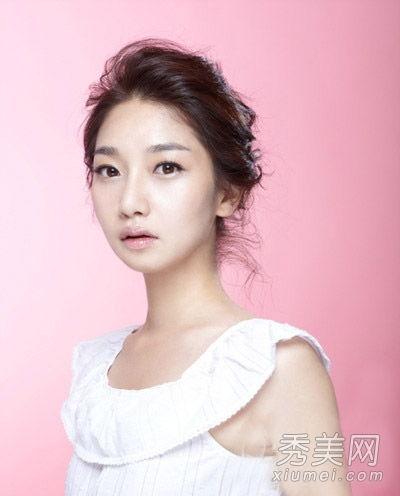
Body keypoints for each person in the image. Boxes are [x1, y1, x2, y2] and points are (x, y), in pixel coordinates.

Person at [60, 37, 351, 495]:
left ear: (227, 193)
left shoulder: (278, 368)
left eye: (167, 167)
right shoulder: (99, 369)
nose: (130, 202)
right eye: (109, 170)